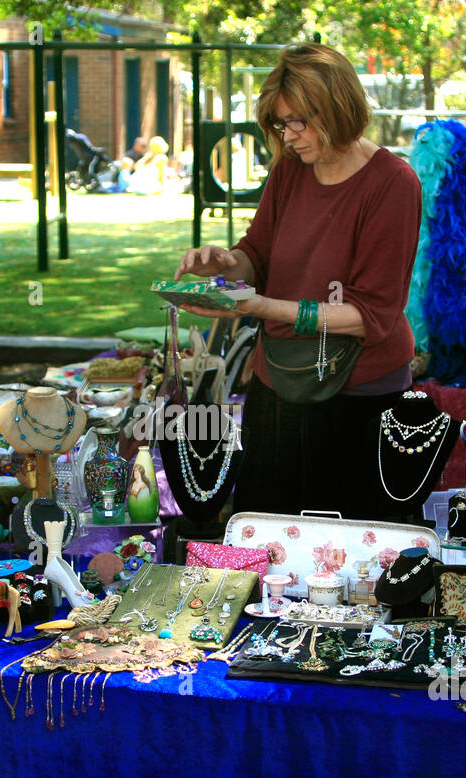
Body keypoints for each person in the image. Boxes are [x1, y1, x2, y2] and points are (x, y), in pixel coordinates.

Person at [174, 43, 421, 519]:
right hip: (280, 380)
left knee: (345, 554)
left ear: (339, 108)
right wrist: (224, 266)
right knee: (267, 532)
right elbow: (257, 255)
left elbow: (370, 318)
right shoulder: (290, 169)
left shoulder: (392, 184)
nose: (288, 137)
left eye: (299, 122)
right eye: (280, 124)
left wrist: (260, 307)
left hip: (359, 393)